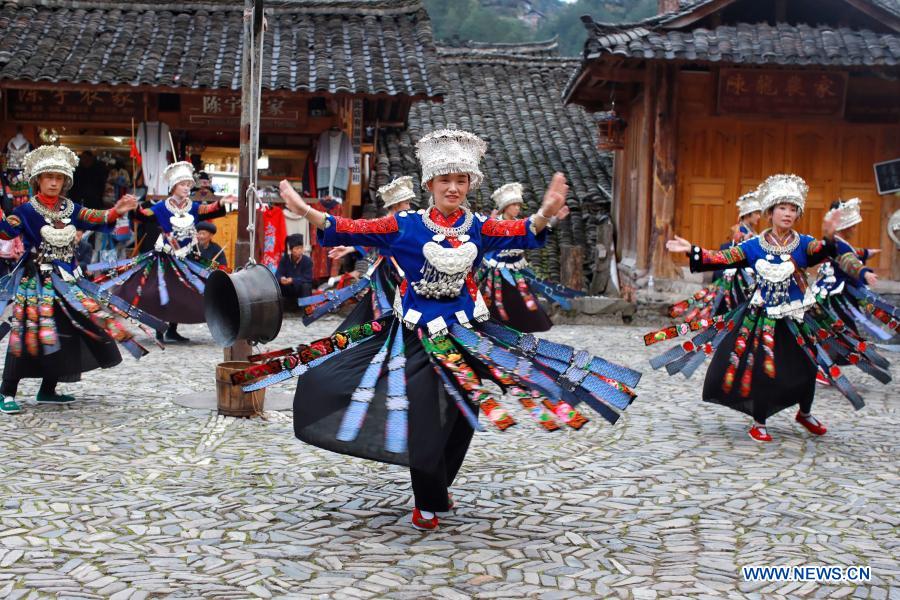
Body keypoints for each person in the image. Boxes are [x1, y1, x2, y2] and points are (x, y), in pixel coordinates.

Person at [232, 130, 641, 531]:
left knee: (465, 412)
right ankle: (428, 498)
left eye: (461, 180)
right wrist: (305, 212)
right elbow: (350, 228)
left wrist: (546, 212)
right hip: (416, 337)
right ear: (430, 183)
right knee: (426, 413)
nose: (453, 188)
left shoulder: (480, 227)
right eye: (445, 180)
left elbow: (520, 232)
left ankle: (439, 483)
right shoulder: (405, 226)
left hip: (467, 336)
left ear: (470, 184)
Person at [648, 173, 882, 443]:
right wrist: (693, 251)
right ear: (770, 212)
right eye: (782, 208)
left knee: (808, 363)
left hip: (797, 316)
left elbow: (824, 251)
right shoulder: (753, 245)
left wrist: (830, 237)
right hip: (763, 318)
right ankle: (760, 421)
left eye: (793, 209)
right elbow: (723, 258)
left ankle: (804, 413)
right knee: (763, 367)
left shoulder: (804, 243)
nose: (788, 213)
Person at [0, 145, 165, 415]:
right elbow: (7, 233)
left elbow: (95, 218)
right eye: (48, 177)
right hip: (37, 284)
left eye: (59, 178)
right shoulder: (28, 211)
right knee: (28, 334)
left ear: (66, 182)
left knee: (65, 333)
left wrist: (116, 211)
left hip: (69, 283)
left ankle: (48, 389)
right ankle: (6, 391)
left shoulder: (71, 208)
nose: (54, 182)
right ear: (38, 180)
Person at [88, 161, 232, 344]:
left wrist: (221, 202)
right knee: (161, 292)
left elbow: (209, 209)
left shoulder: (193, 207)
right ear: (173, 187)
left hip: (186, 256)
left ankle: (172, 329)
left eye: (189, 184)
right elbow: (144, 215)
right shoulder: (162, 207)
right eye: (183, 184)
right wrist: (136, 207)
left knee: (182, 293)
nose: (187, 188)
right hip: (165, 257)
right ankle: (158, 328)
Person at [299, 176, 414, 326]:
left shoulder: (406, 222)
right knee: (382, 303)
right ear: (397, 205)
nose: (409, 206)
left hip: (401, 268)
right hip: (386, 270)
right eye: (407, 203)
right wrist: (348, 248)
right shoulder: (385, 222)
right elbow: (365, 236)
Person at [479, 182, 582, 332]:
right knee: (495, 303)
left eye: (518, 205)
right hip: (496, 273)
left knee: (525, 302)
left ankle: (521, 330)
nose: (517, 208)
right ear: (505, 207)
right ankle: (492, 329)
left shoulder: (520, 224)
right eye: (514, 205)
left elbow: (536, 230)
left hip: (517, 271)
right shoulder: (495, 223)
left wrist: (555, 219)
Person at [669, 188, 762, 323]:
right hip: (737, 273)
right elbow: (733, 251)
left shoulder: (750, 231)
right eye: (757, 213)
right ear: (748, 214)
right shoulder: (739, 231)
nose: (759, 217)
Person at [814, 198, 896, 348]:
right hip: (837, 291)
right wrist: (865, 273)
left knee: (843, 319)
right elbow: (849, 261)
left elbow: (854, 252)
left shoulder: (840, 243)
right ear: (846, 227)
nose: (855, 230)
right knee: (841, 318)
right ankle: (840, 351)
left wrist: (867, 252)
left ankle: (842, 348)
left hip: (838, 288)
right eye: (853, 226)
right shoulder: (838, 245)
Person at [276, 234, 314, 301]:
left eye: (301, 248)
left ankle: (306, 309)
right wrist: (281, 278)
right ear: (291, 250)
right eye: (297, 248)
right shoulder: (285, 259)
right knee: (277, 285)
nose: (300, 250)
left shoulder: (307, 261)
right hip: (288, 289)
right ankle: (284, 307)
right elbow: (278, 273)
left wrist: (293, 280)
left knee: (306, 286)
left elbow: (308, 278)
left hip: (300, 289)